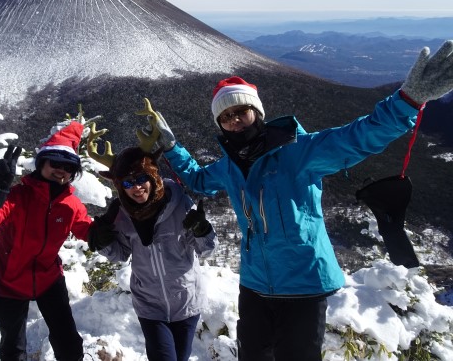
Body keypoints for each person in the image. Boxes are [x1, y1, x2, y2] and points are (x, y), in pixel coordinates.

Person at [140, 40, 453, 361]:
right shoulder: (230, 166)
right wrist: (171, 147)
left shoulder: (299, 151)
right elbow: (198, 181)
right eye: (226, 116)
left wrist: (408, 101)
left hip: (303, 284)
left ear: (256, 112)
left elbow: (358, 137)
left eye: (241, 111)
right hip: (254, 285)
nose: (235, 120)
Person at [0, 121, 106, 361]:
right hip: (8, 281)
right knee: (13, 349)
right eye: (55, 163)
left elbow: (89, 233)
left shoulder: (71, 205)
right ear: (42, 163)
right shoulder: (16, 197)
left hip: (49, 279)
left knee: (69, 343)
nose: (61, 170)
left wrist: (111, 224)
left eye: (68, 167)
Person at [87, 144, 218, 361]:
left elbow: (207, 250)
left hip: (186, 302)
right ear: (120, 186)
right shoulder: (122, 215)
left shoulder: (180, 204)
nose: (136, 187)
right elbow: (120, 254)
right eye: (128, 183)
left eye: (141, 179)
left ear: (153, 177)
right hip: (149, 306)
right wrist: (103, 243)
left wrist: (203, 231)